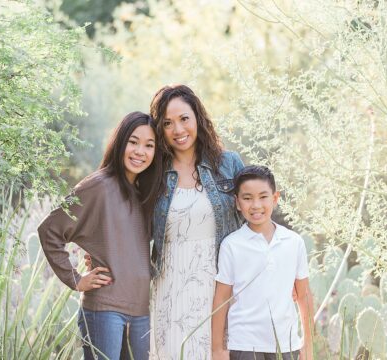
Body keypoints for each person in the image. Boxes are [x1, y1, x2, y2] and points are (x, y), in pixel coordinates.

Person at [37, 112, 161, 360]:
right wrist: (76, 279)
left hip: (140, 311)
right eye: (133, 142)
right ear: (120, 142)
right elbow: (50, 229)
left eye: (149, 145)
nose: (140, 151)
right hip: (104, 310)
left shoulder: (143, 194)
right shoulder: (98, 185)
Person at [148, 84, 245, 359]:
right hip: (171, 284)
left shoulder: (228, 163)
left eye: (184, 119)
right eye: (168, 123)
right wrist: (99, 251)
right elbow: (129, 220)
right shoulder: (153, 172)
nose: (178, 130)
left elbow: (255, 217)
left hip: (220, 282)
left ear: (198, 118)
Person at [211, 165, 314, 360]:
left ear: (275, 198)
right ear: (237, 203)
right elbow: (221, 299)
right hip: (244, 345)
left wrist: (308, 344)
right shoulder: (231, 245)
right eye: (247, 198)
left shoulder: (293, 242)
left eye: (263, 197)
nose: (256, 205)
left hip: (286, 344)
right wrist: (217, 349)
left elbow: (304, 295)